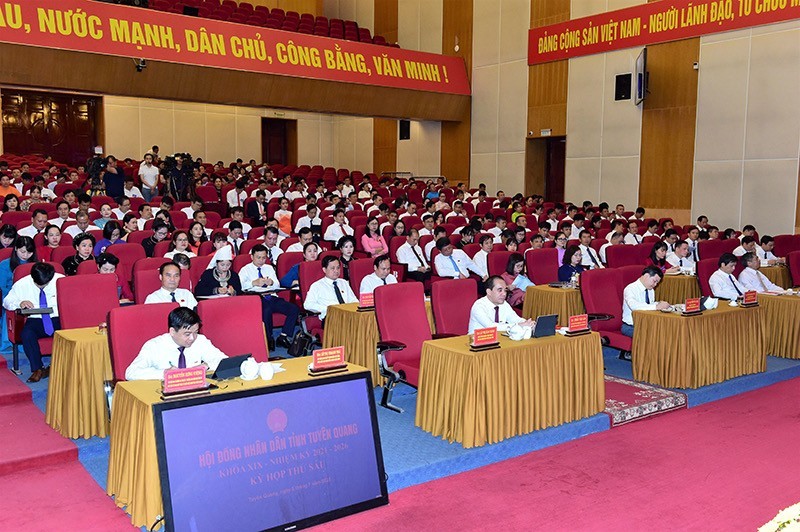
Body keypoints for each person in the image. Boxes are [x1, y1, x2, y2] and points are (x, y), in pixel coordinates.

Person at [125, 307, 227, 381]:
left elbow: (225, 361)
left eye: (195, 332)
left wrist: (206, 366)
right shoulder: (154, 346)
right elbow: (131, 373)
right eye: (187, 334)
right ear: (172, 331)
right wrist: (165, 373)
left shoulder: (200, 341)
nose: (192, 338)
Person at [3, 262, 63, 382]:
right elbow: (6, 301)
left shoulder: (61, 280)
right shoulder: (22, 284)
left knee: (68, 333)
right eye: (38, 284)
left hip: (57, 317)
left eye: (45, 284)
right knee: (27, 334)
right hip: (35, 318)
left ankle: (58, 366)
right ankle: (38, 369)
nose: (41, 287)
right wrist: (20, 303)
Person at [239, 244, 298, 350]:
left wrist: (271, 282)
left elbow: (278, 284)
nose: (261, 260)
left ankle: (283, 336)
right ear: (252, 257)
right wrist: (254, 283)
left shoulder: (269, 268)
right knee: (267, 310)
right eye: (258, 257)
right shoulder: (245, 270)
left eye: (263, 258)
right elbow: (240, 286)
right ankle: (269, 338)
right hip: (257, 298)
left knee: (293, 309)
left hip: (271, 296)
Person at [0, 237, 37, 353]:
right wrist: (17, 297)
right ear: (16, 249)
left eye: (29, 252)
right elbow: (2, 287)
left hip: (31, 295)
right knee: (12, 306)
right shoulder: (5, 264)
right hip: (10, 294)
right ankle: (9, 342)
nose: (26, 255)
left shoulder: (36, 264)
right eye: (22, 251)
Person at [468, 276, 533, 334]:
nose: (504, 294)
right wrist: (519, 325)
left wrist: (528, 323)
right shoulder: (479, 306)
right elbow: (491, 327)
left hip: (499, 341)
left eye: (505, 290)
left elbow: (516, 319)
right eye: (500, 290)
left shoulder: (504, 304)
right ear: (489, 292)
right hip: (478, 342)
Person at [621, 265, 670, 341]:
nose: (655, 285)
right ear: (646, 276)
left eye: (657, 283)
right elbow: (634, 306)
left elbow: (648, 306)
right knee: (654, 336)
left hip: (645, 324)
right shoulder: (630, 288)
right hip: (631, 326)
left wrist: (659, 304)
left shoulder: (650, 290)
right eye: (654, 281)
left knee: (665, 331)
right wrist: (656, 307)